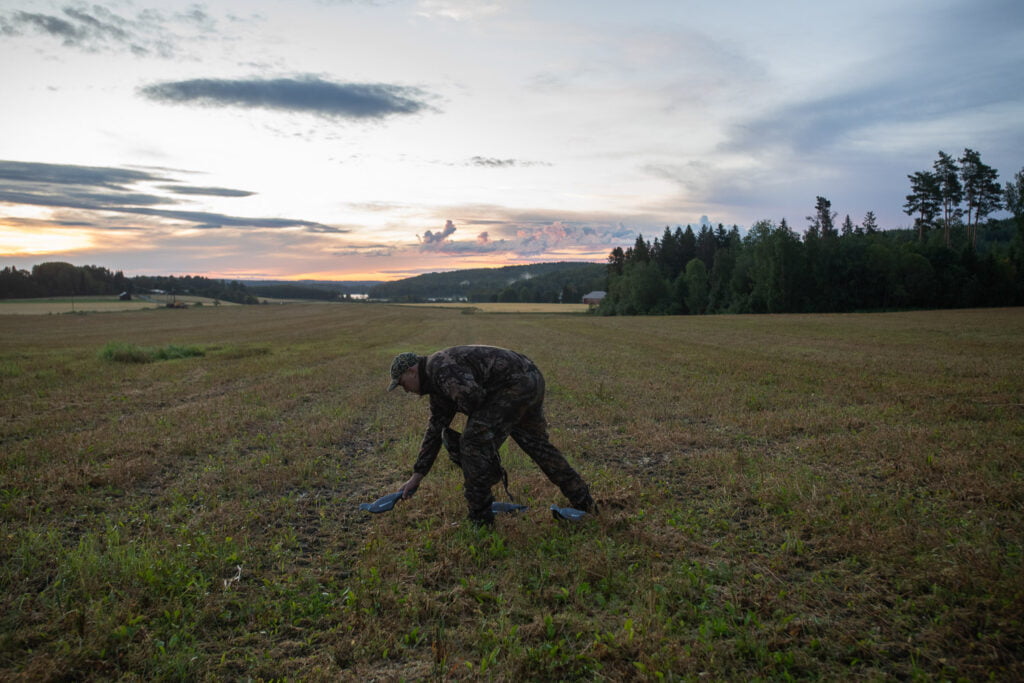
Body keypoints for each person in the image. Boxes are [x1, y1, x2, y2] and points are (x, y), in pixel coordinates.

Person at [387, 345, 596, 525]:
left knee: (471, 444)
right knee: (538, 446)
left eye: (402, 383)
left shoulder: (440, 368)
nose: (405, 390)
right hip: (530, 379)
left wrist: (485, 445)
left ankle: (480, 517)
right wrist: (418, 475)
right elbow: (434, 430)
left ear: (412, 370)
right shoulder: (436, 382)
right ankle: (584, 502)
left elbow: (473, 397)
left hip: (514, 385)